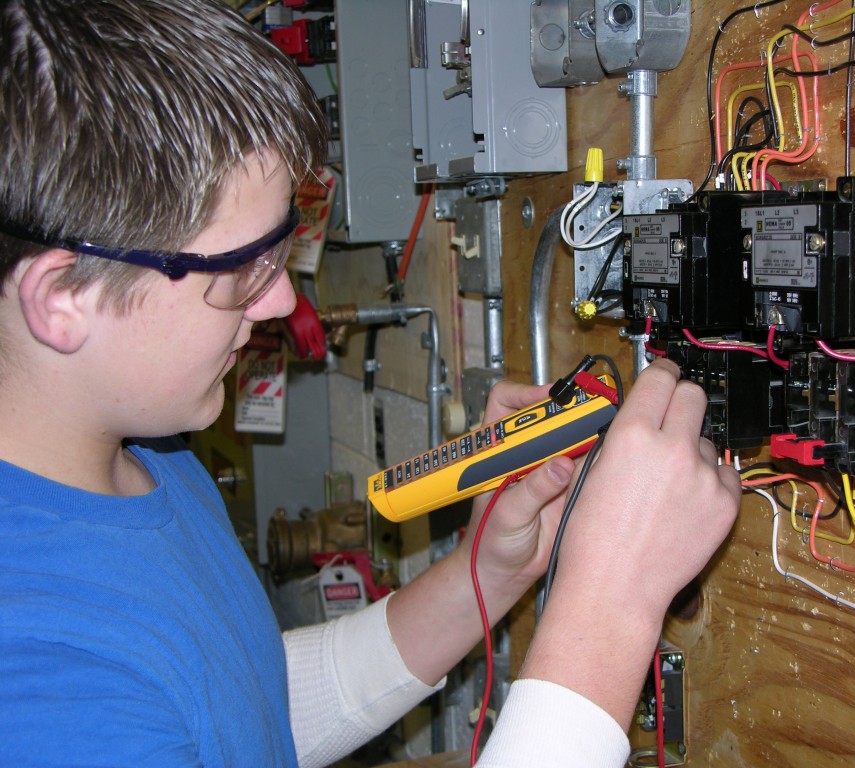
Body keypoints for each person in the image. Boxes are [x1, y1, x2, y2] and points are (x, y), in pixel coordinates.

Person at [0, 1, 740, 766]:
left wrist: (489, 571)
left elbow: (236, 712)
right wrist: (610, 605)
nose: (282, 300)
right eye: (239, 270)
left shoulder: (144, 456)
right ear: (65, 300)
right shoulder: (33, 682)